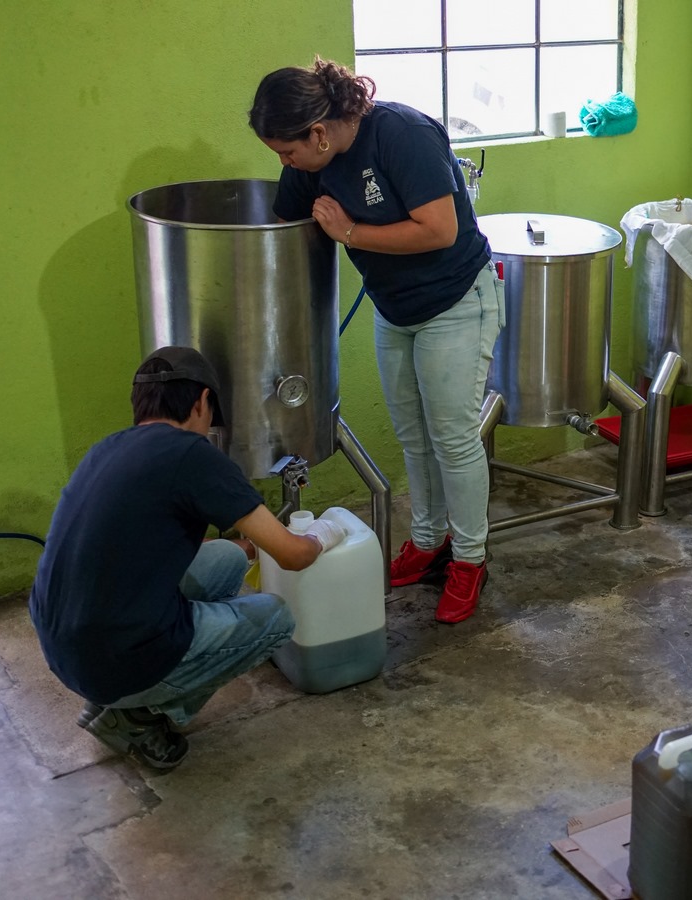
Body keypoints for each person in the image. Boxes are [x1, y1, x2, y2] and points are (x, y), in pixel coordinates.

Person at [248, 56, 501, 625]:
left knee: (453, 439)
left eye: (287, 152)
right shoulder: (310, 163)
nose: (285, 163)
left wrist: (350, 232)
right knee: (414, 436)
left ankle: (469, 559)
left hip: (456, 302)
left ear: (318, 132)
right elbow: (285, 224)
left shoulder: (401, 134)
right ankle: (429, 541)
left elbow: (440, 230)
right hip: (395, 308)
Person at [29, 346, 347, 770]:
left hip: (62, 645)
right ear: (201, 402)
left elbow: (146, 544)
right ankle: (138, 716)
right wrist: (325, 533)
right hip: (113, 659)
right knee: (276, 618)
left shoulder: (106, 449)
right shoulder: (192, 455)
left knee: (229, 557)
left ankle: (111, 696)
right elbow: (293, 556)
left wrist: (251, 546)